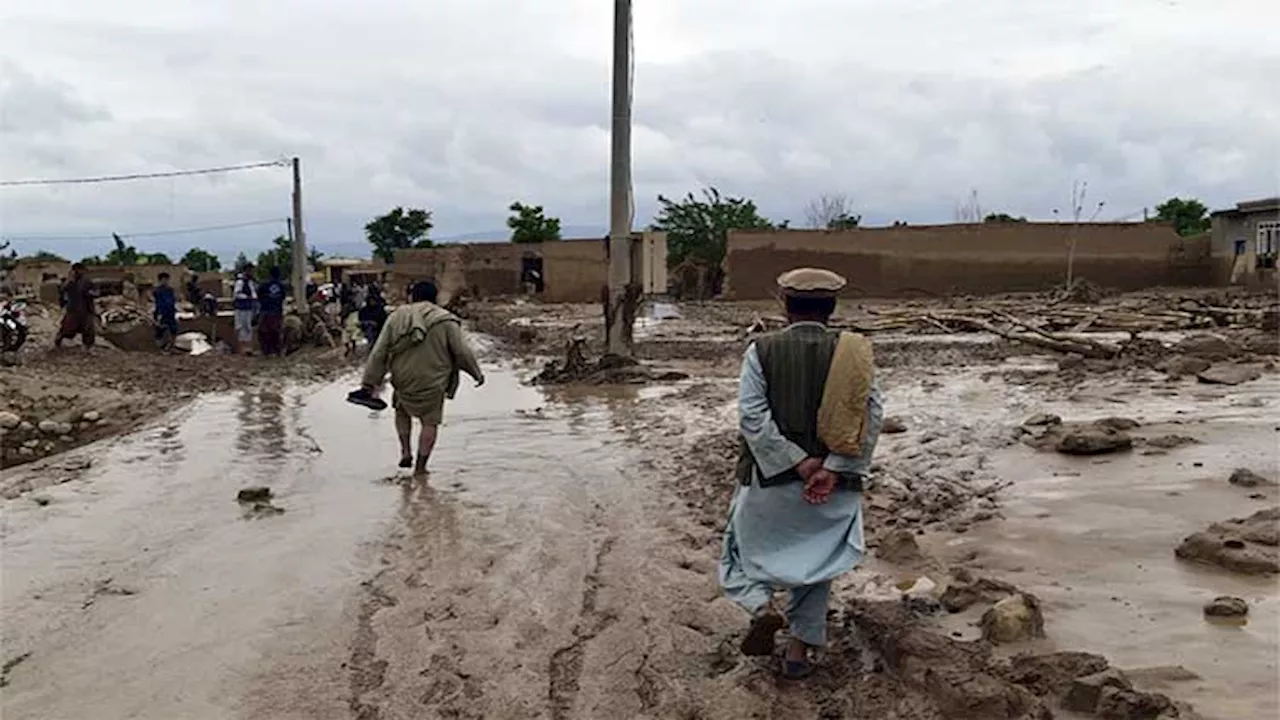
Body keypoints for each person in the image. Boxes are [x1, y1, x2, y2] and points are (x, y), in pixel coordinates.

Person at [718, 267, 884, 680]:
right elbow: (872, 415)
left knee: (736, 550)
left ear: (785, 305)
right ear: (832, 307)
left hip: (769, 480)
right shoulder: (856, 352)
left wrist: (797, 461)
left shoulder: (762, 349)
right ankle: (797, 651)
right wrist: (832, 468)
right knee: (817, 565)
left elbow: (753, 418)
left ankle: (760, 607)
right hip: (832, 488)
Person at [356, 281, 484, 475]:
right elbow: (460, 352)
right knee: (430, 422)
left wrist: (369, 383)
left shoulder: (396, 317)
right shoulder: (446, 320)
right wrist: (476, 373)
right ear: (435, 298)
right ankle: (421, 468)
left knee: (401, 411)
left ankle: (406, 451)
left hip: (403, 377)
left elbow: (379, 351)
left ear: (412, 297)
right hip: (434, 379)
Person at [54, 263, 97, 348]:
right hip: (73, 309)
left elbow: (96, 291)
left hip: (86, 309)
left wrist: (91, 293)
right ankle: (59, 339)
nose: (79, 272)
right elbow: (62, 290)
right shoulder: (69, 281)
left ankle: (87, 347)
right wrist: (70, 281)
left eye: (81, 270)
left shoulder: (87, 281)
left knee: (88, 329)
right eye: (77, 270)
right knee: (68, 329)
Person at [257, 266, 287, 357]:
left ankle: (266, 351)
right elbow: (283, 297)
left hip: (266, 311)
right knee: (276, 332)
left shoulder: (264, 285)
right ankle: (277, 351)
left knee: (264, 332)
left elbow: (258, 295)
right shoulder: (281, 285)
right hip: (277, 311)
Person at [232, 264, 258, 355]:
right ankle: (241, 348)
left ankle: (248, 347)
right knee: (241, 327)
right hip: (241, 307)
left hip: (249, 307)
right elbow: (236, 294)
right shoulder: (240, 282)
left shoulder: (251, 282)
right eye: (250, 270)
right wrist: (247, 297)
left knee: (248, 327)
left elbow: (254, 294)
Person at [153, 272, 179, 350]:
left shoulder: (170, 290)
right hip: (161, 312)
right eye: (163, 279)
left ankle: (171, 345)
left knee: (173, 329)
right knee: (160, 329)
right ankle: (159, 346)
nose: (165, 281)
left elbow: (173, 300)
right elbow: (159, 302)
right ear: (160, 280)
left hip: (170, 312)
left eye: (167, 280)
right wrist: (159, 313)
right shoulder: (157, 291)